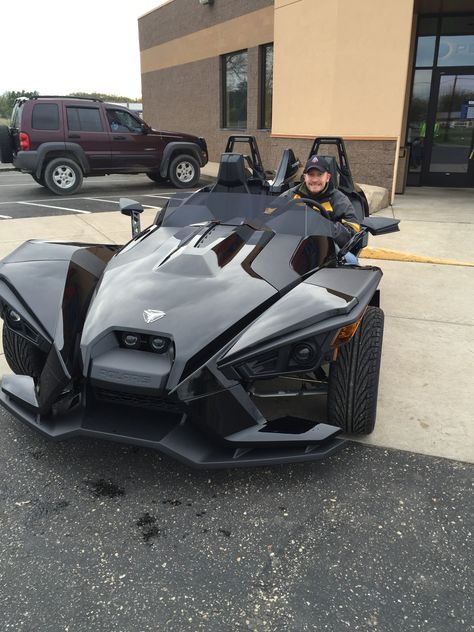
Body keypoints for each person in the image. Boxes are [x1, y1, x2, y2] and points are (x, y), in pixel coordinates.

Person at [279, 155, 361, 252]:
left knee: (351, 261)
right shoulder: (290, 195)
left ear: (328, 177)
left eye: (320, 174)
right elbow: (267, 216)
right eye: (311, 174)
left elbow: (353, 231)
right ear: (305, 177)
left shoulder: (340, 200)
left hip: (326, 253)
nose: (314, 179)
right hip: (290, 249)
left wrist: (324, 226)